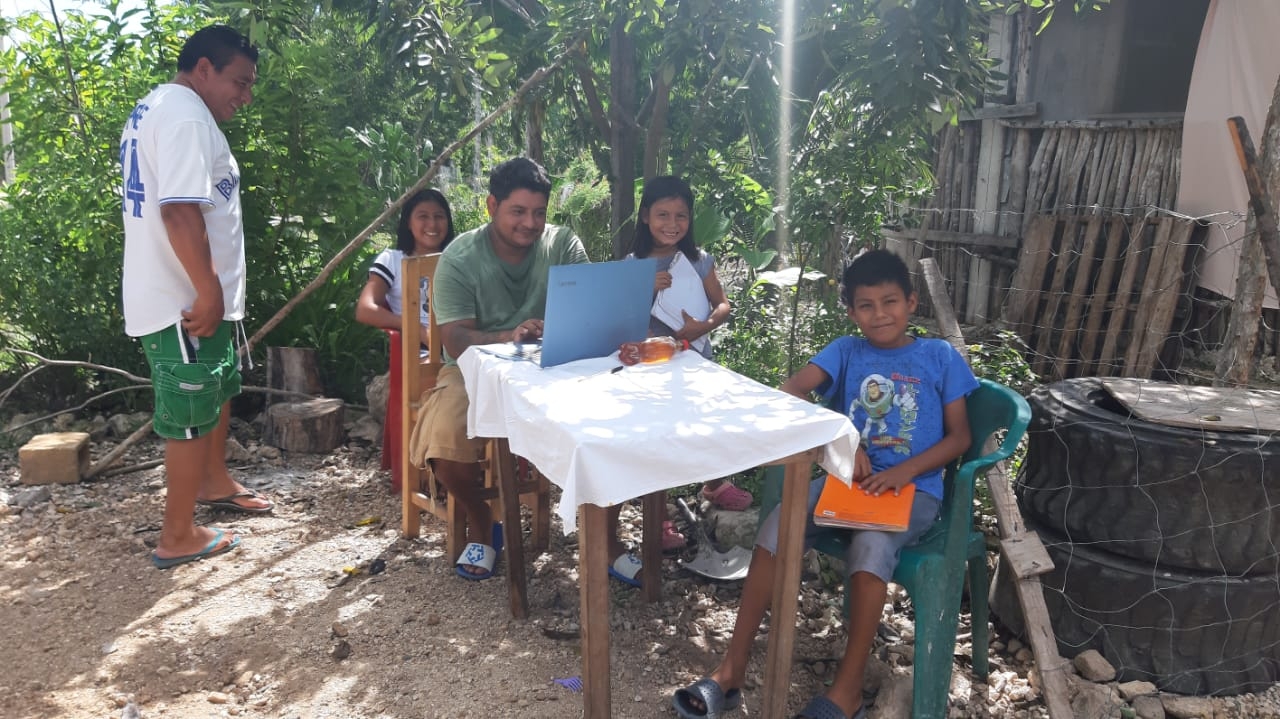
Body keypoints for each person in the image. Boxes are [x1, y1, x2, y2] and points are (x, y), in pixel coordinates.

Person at [671, 249, 977, 719]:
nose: (880, 314)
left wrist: (903, 471)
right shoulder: (846, 350)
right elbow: (791, 390)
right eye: (867, 305)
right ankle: (730, 669)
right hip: (842, 481)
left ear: (912, 302)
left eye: (890, 301)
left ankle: (848, 689)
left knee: (872, 547)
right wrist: (843, 438)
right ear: (852, 311)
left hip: (912, 490)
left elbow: (961, 436)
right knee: (775, 529)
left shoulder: (938, 357)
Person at [119, 25, 271, 571]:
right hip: (182, 299)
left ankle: (213, 479)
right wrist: (207, 290)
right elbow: (179, 210)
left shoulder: (164, 106)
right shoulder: (183, 114)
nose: (245, 95)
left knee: (216, 387)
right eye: (239, 81)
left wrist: (219, 293)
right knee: (188, 410)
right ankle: (178, 534)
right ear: (203, 68)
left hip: (199, 296)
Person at [410, 157, 589, 580]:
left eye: (539, 212)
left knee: (614, 420)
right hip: (472, 369)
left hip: (552, 364)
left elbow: (586, 308)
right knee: (444, 443)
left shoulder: (562, 244)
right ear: (491, 206)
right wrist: (511, 335)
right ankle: (483, 521)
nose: (530, 223)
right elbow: (455, 341)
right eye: (518, 211)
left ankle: (607, 540)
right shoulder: (459, 257)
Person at [613, 176, 745, 563]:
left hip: (696, 356)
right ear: (644, 217)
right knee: (659, 435)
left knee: (707, 418)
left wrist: (703, 327)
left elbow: (723, 305)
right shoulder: (632, 266)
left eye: (681, 215)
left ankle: (715, 483)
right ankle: (658, 517)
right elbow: (621, 321)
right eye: (662, 215)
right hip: (653, 367)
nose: (672, 223)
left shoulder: (700, 260)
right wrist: (646, 289)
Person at [354, 188, 456, 346]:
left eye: (439, 216)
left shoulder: (459, 262)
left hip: (462, 346)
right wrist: (416, 328)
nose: (432, 224)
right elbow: (365, 309)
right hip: (418, 353)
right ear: (408, 222)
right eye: (423, 216)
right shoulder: (392, 260)